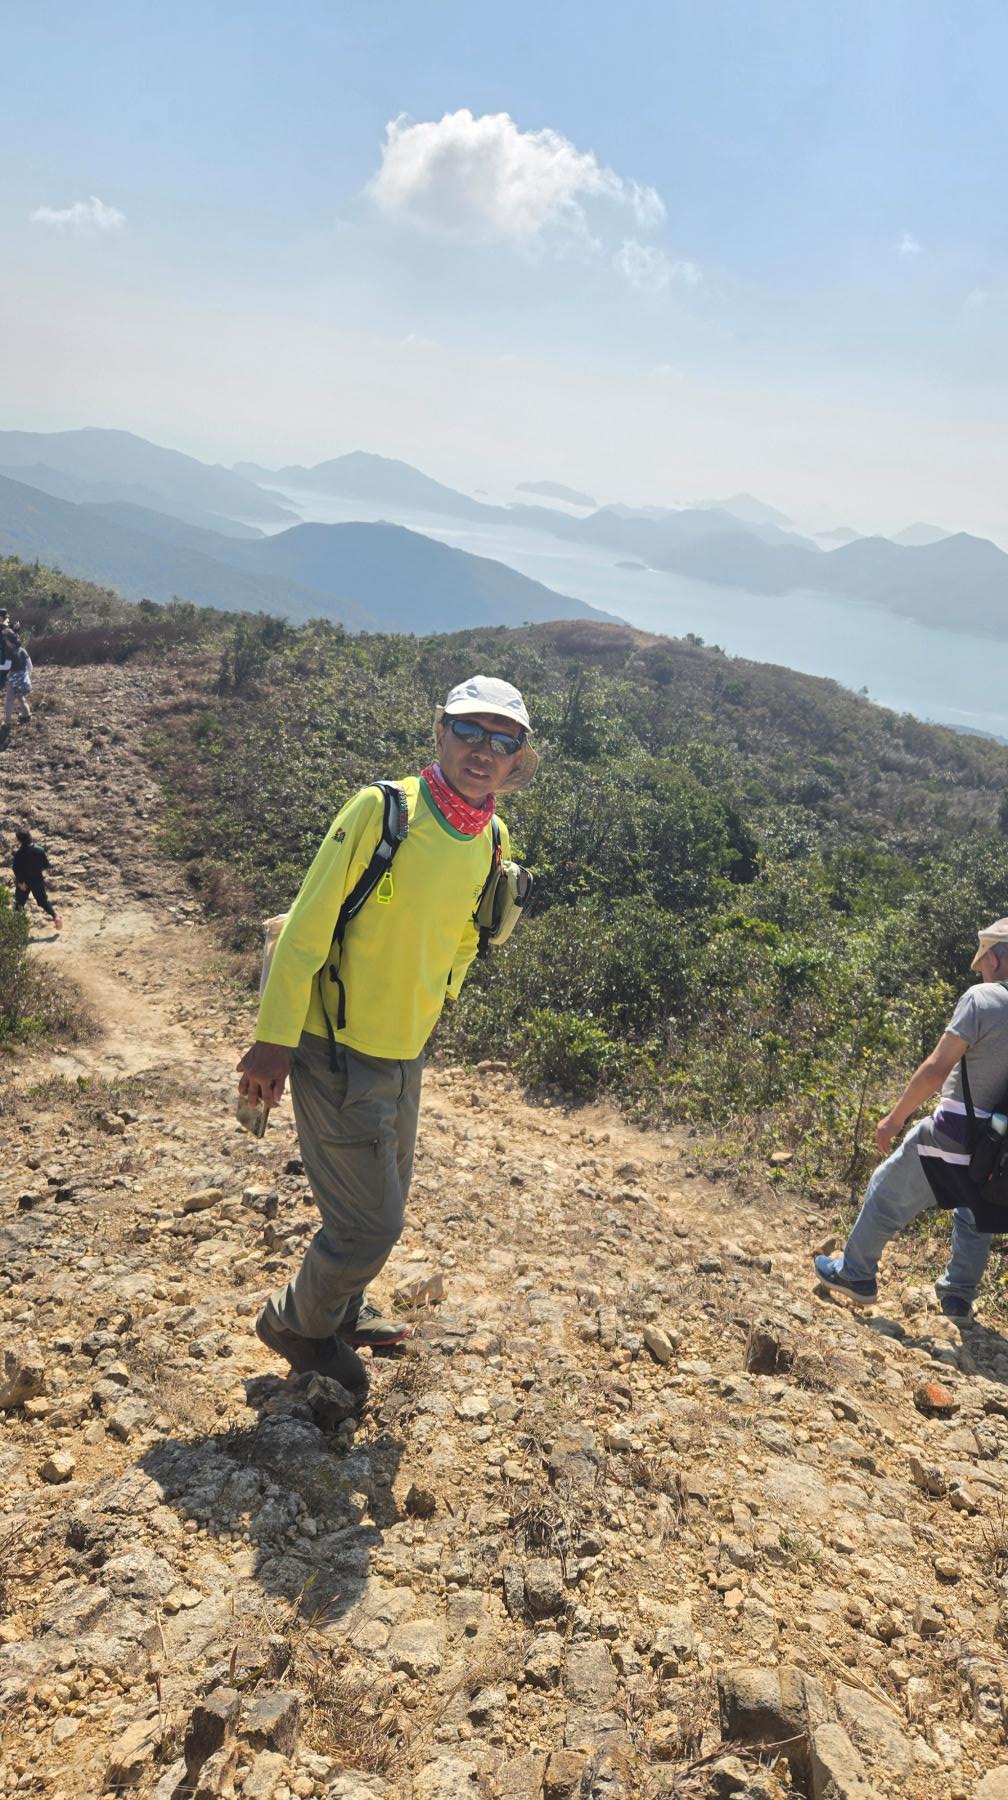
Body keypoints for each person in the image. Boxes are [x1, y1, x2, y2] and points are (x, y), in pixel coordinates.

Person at [237, 675, 539, 1397]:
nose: (483, 751)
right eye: (469, 731)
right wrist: (273, 1040)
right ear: (440, 732)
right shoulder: (384, 810)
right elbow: (306, 927)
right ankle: (295, 1325)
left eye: (502, 741)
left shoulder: (491, 835)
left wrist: (441, 996)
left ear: (516, 759)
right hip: (334, 1044)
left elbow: (470, 931)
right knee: (371, 1224)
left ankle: (340, 1308)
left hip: (405, 1048)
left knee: (382, 1196)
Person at [814, 919, 1008, 1322]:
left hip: (954, 1133)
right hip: (998, 1149)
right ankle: (958, 1298)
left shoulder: (982, 998)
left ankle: (855, 1274)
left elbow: (937, 1069)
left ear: (993, 958)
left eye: (982, 964)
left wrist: (894, 1118)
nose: (981, 972)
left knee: (885, 1190)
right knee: (974, 1209)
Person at [12, 828, 62, 930]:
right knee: (42, 901)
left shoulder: (18, 853)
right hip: (37, 880)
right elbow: (46, 865)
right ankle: (56, 917)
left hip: (23, 882)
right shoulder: (39, 850)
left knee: (19, 904)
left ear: (19, 840)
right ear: (30, 837)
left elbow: (16, 869)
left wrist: (21, 882)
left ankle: (15, 929)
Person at [0, 629, 32, 726]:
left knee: (9, 700)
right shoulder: (23, 650)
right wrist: (25, 676)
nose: (4, 642)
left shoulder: (10, 652)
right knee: (20, 697)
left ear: (8, 640)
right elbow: (30, 666)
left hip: (14, 679)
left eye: (5, 640)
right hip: (24, 678)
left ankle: (8, 720)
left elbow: (7, 666)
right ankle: (26, 714)